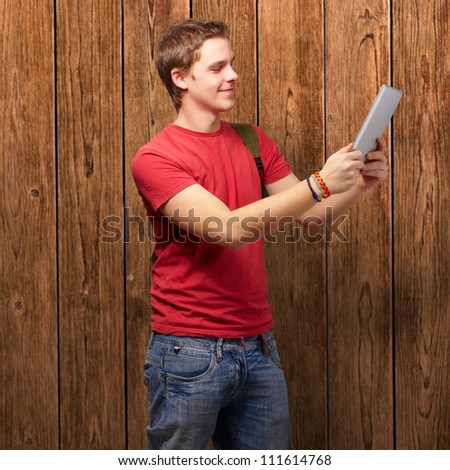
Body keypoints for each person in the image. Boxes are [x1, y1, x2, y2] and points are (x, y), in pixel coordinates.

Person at [132, 19, 388, 450]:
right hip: (188, 354)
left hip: (259, 348)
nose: (232, 75)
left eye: (231, 64)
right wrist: (320, 182)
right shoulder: (156, 158)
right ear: (180, 78)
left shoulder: (251, 140)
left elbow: (312, 214)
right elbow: (226, 228)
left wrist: (357, 185)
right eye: (217, 68)